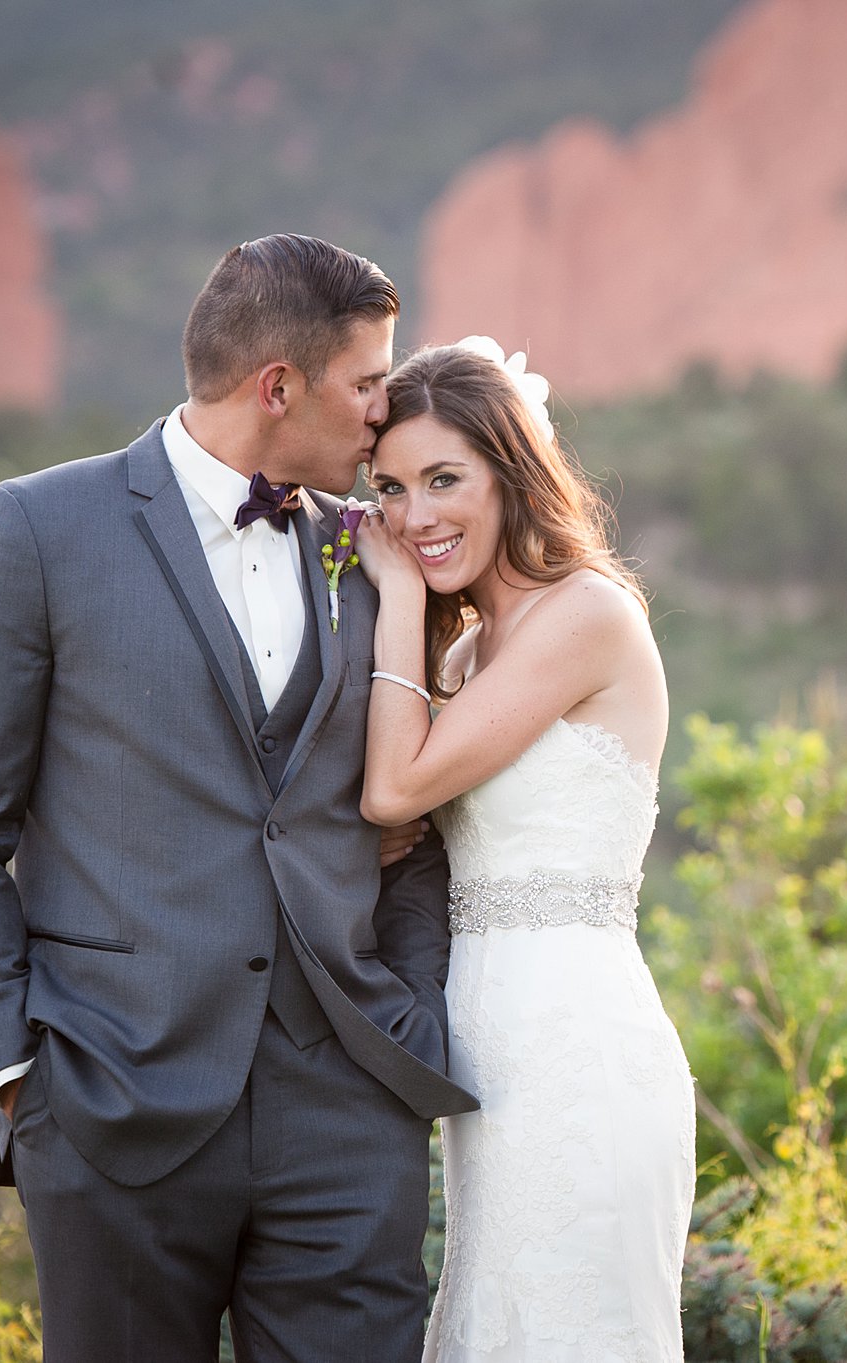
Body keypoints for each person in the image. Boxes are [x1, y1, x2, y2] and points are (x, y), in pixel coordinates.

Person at [0, 233, 475, 1362]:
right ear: (278, 387)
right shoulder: (37, 532)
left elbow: (424, 817)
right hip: (112, 1109)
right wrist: (18, 1078)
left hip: (346, 1116)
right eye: (366, 384)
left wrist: (404, 1008)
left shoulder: (378, 554)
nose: (382, 414)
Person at [353, 337, 696, 1362]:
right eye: (391, 489)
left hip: (578, 1047)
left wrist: (398, 600)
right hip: (486, 1062)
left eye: (443, 478)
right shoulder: (464, 657)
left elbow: (393, 786)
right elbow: (398, 823)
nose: (415, 517)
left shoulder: (585, 612)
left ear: (510, 471)